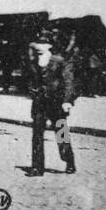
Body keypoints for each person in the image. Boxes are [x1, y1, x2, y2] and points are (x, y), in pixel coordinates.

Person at [26, 34, 77, 176]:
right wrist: (32, 91)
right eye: (37, 43)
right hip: (39, 104)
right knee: (37, 135)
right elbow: (30, 81)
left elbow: (68, 82)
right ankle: (37, 167)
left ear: (49, 46)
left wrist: (67, 101)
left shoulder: (59, 61)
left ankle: (69, 161)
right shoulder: (33, 62)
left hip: (57, 103)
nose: (39, 47)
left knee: (61, 133)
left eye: (43, 43)